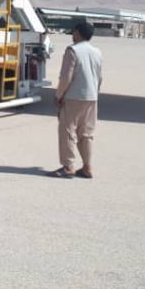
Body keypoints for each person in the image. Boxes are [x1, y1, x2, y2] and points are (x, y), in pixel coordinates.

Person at [49, 20, 102, 179]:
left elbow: (66, 77)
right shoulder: (97, 52)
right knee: (86, 134)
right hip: (91, 97)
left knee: (67, 131)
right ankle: (87, 166)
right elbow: (99, 77)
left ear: (78, 33)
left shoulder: (73, 50)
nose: (72, 34)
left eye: (74, 32)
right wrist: (94, 93)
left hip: (73, 97)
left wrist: (59, 95)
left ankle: (68, 166)